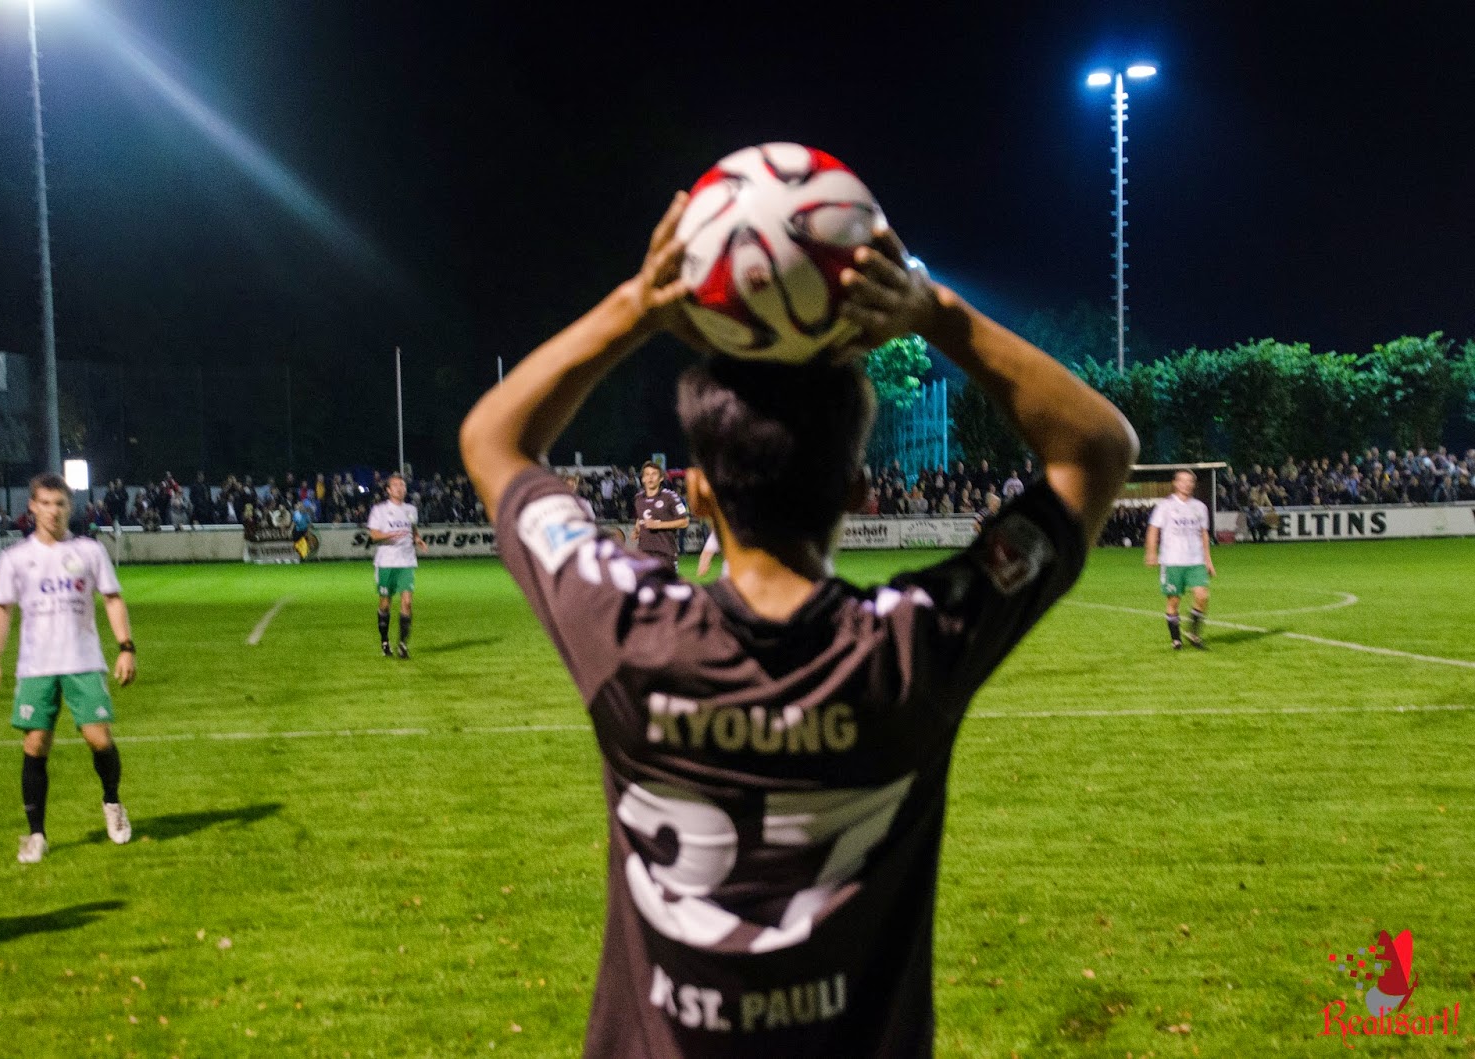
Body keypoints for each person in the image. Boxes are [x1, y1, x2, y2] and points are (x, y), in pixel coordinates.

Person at [459, 193, 1135, 1055]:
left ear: (698, 492)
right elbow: (1097, 450)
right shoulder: (913, 645)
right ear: (859, 490)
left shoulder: (627, 629)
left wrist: (644, 304)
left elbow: (494, 439)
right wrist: (933, 310)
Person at [0, 473, 137, 865]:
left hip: (83, 661)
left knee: (99, 739)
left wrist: (125, 647)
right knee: (35, 745)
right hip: (36, 666)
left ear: (70, 507)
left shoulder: (88, 551)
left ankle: (113, 803)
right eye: (46, 503)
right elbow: (1, 608)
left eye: (60, 504)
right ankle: (36, 835)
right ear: (32, 506)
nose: (53, 511)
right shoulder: (15, 558)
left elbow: (113, 599)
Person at [1144, 469, 1216, 649]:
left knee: (1202, 596)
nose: (1186, 484)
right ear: (1175, 483)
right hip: (1172, 560)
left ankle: (1193, 633)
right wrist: (1151, 553)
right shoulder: (1165, 506)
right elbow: (1153, 529)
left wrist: (1208, 559)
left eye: (1190, 481)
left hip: (1195, 560)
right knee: (1174, 601)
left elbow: (1203, 533)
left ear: (1193, 484)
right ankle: (1176, 639)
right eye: (1182, 481)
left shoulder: (1200, 507)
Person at [367, 472, 427, 658]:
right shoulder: (379, 510)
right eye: (396, 486)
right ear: (388, 490)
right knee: (385, 604)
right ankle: (384, 641)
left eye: (402, 485)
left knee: (407, 602)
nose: (401, 489)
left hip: (407, 561)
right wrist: (390, 535)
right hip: (386, 562)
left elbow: (412, 529)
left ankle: (402, 644)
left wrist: (417, 539)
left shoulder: (411, 509)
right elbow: (374, 535)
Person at [631, 461, 689, 574]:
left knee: (669, 590)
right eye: (647, 474)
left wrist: (659, 525)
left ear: (661, 478)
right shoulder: (638, 498)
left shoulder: (670, 497)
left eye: (654, 474)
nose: (650, 477)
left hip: (665, 553)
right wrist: (637, 529)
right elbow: (640, 517)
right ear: (642, 479)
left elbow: (684, 522)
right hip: (644, 553)